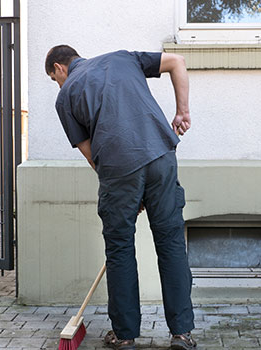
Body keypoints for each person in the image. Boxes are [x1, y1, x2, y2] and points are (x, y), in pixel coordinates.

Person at [45, 45, 196, 350]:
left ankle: (124, 335)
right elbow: (177, 62)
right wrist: (182, 112)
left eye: (53, 78)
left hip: (117, 168)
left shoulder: (66, 95)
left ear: (60, 68)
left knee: (120, 249)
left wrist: (124, 187)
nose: (57, 85)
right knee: (170, 243)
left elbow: (91, 155)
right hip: (161, 154)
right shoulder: (123, 58)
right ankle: (181, 334)